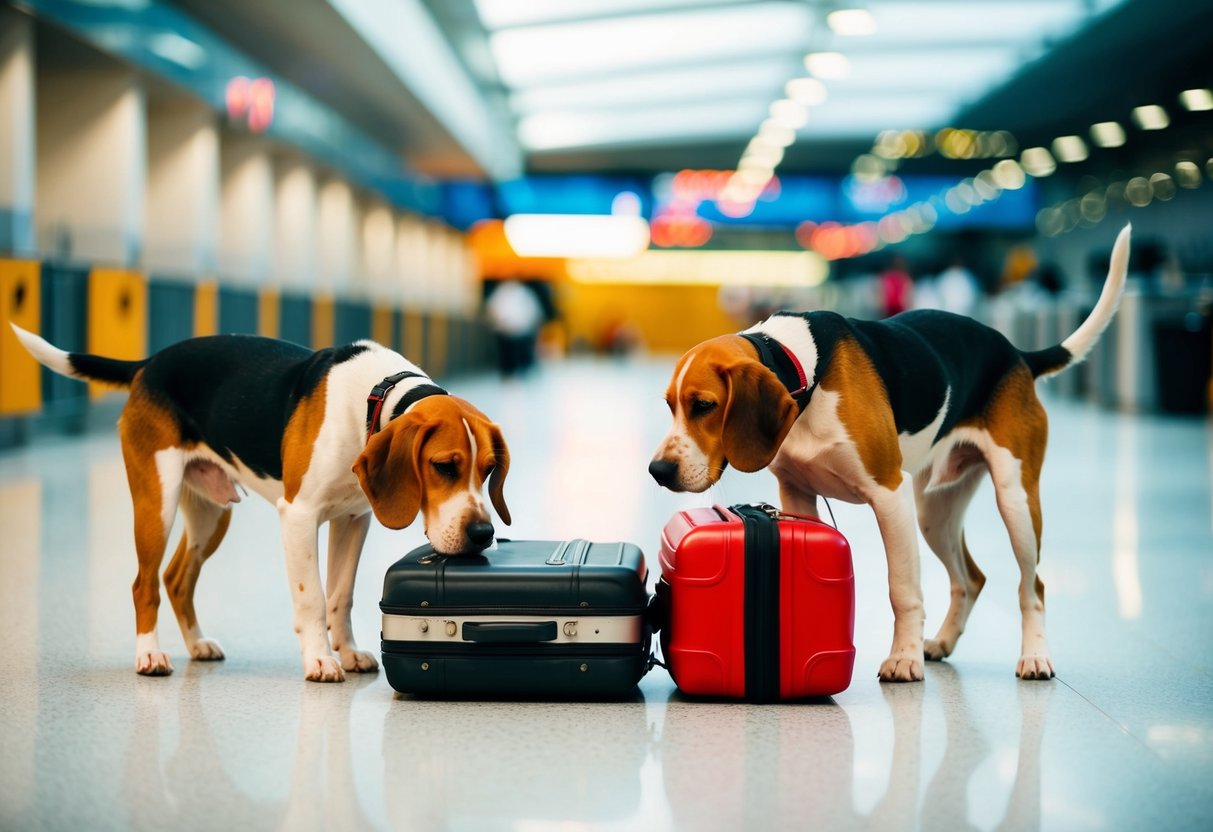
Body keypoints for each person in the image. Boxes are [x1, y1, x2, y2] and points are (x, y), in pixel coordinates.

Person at [485, 279, 544, 377]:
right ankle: (511, 372)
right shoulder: (504, 292)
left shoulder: (521, 293)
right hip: (508, 329)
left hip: (515, 329)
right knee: (509, 353)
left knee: (515, 352)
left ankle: (517, 371)